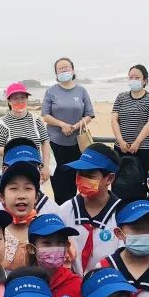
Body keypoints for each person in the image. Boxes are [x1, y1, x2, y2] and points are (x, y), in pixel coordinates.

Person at [57, 145, 123, 275]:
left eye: (90, 176)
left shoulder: (122, 214)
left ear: (109, 178)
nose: (82, 180)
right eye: (80, 174)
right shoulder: (65, 210)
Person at [42, 57, 96, 203]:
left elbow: (89, 114)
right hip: (55, 144)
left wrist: (75, 126)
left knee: (78, 182)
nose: (64, 70)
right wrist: (62, 125)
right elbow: (45, 115)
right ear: (56, 73)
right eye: (60, 68)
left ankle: (76, 211)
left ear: (72, 70)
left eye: (66, 67)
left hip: (77, 144)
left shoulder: (81, 91)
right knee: (59, 184)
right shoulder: (51, 91)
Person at [28, 214, 83, 297]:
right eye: (47, 243)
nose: (54, 248)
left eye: (60, 243)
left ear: (67, 246)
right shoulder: (24, 285)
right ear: (31, 248)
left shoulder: (77, 284)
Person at [0, 83, 51, 181]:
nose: (19, 101)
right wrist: (18, 151)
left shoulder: (36, 120)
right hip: (11, 170)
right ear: (9, 101)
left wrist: (46, 166)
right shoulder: (3, 123)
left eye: (22, 97)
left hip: (35, 169)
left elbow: (45, 142)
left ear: (27, 99)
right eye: (15, 98)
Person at [112, 65, 149, 176]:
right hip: (121, 147)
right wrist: (120, 141)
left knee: (139, 179)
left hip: (143, 148)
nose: (133, 80)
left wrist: (137, 143)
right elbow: (114, 120)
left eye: (137, 78)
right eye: (131, 77)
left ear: (145, 80)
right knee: (119, 178)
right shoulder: (121, 97)